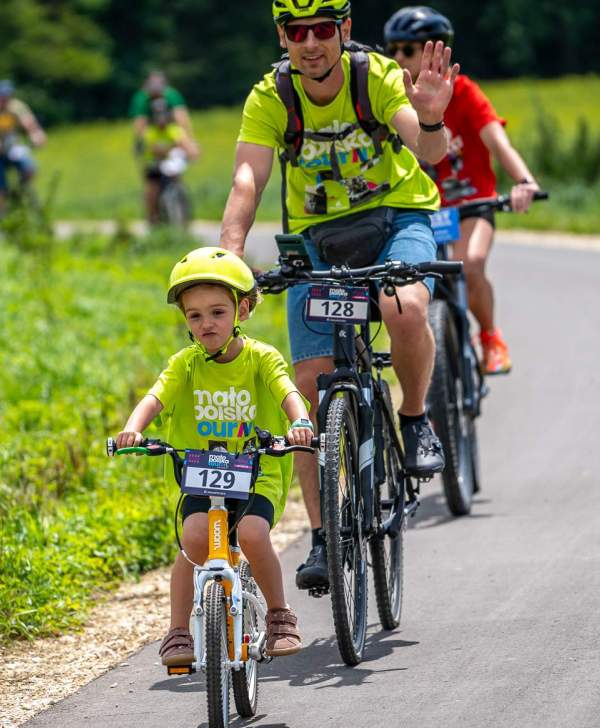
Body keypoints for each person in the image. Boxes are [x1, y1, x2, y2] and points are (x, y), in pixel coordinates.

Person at [220, 0, 458, 591]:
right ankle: (325, 535)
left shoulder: (373, 76)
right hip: (319, 239)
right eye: (296, 32)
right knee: (307, 389)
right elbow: (247, 178)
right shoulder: (271, 96)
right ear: (282, 36)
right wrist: (230, 253)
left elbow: (430, 153)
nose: (310, 43)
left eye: (323, 30)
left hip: (394, 218)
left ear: (344, 30)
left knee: (402, 305)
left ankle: (413, 417)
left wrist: (430, 118)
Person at [115, 247, 313, 665]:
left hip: (256, 470)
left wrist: (300, 423)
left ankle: (280, 615)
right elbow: (156, 396)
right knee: (192, 540)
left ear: (242, 309)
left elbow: (288, 391)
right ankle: (178, 632)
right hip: (200, 472)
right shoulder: (186, 364)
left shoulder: (261, 358)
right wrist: (134, 427)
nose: (206, 323)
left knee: (255, 534)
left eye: (218, 312)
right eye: (195, 315)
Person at [384, 6, 541, 374]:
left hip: (471, 203)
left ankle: (489, 337)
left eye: (408, 49)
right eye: (392, 50)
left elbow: (498, 142)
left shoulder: (465, 92)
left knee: (470, 264)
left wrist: (524, 181)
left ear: (433, 50)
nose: (398, 58)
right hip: (422, 208)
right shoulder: (390, 96)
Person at [0, 80, 47, 219]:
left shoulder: (17, 107)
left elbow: (29, 123)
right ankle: (0, 219)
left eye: (7, 96)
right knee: (0, 188)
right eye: (1, 96)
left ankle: (19, 192)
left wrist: (37, 135)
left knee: (30, 169)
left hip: (14, 148)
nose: (4, 99)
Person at [138, 98, 197, 225]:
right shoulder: (150, 132)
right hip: (154, 166)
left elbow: (184, 142)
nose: (161, 117)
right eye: (158, 114)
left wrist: (192, 151)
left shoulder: (173, 130)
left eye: (163, 113)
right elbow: (153, 148)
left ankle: (183, 212)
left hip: (170, 166)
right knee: (152, 190)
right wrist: (172, 147)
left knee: (177, 180)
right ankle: (153, 219)